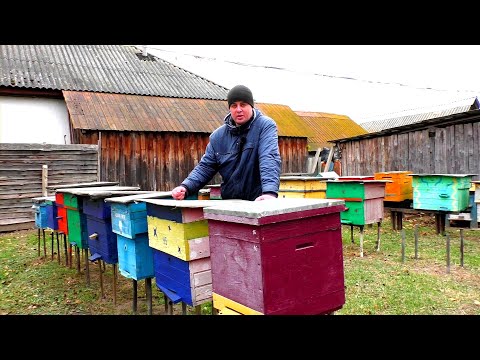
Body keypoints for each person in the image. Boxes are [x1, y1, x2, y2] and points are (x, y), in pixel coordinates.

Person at [171, 84, 281, 201]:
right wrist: (186, 186)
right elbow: (205, 167)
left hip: (259, 201)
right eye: (234, 105)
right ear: (230, 108)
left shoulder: (265, 126)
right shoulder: (218, 137)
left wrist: (269, 192)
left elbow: (269, 157)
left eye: (243, 104)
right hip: (230, 203)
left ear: (251, 106)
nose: (238, 109)